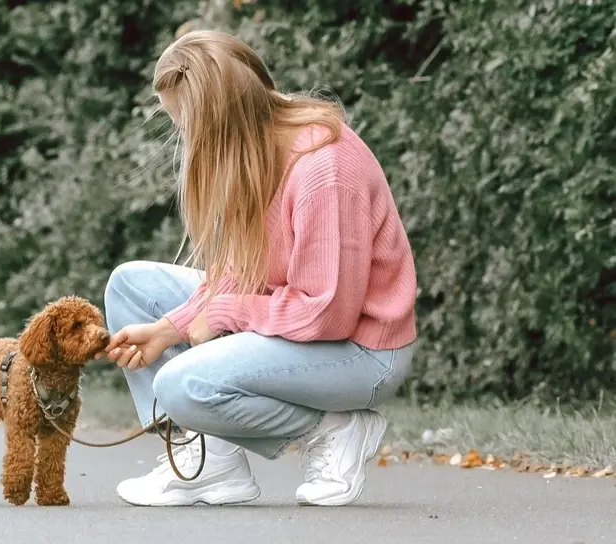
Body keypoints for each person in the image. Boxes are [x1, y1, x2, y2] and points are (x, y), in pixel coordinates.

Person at [99, 30, 417, 507]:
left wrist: (224, 314)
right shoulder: (256, 151)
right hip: (297, 327)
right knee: (129, 287)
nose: (185, 140)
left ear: (220, 119)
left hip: (360, 351)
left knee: (181, 384)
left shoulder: (323, 170)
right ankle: (209, 463)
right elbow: (241, 272)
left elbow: (327, 314)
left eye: (186, 126)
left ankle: (336, 426)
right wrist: (171, 328)